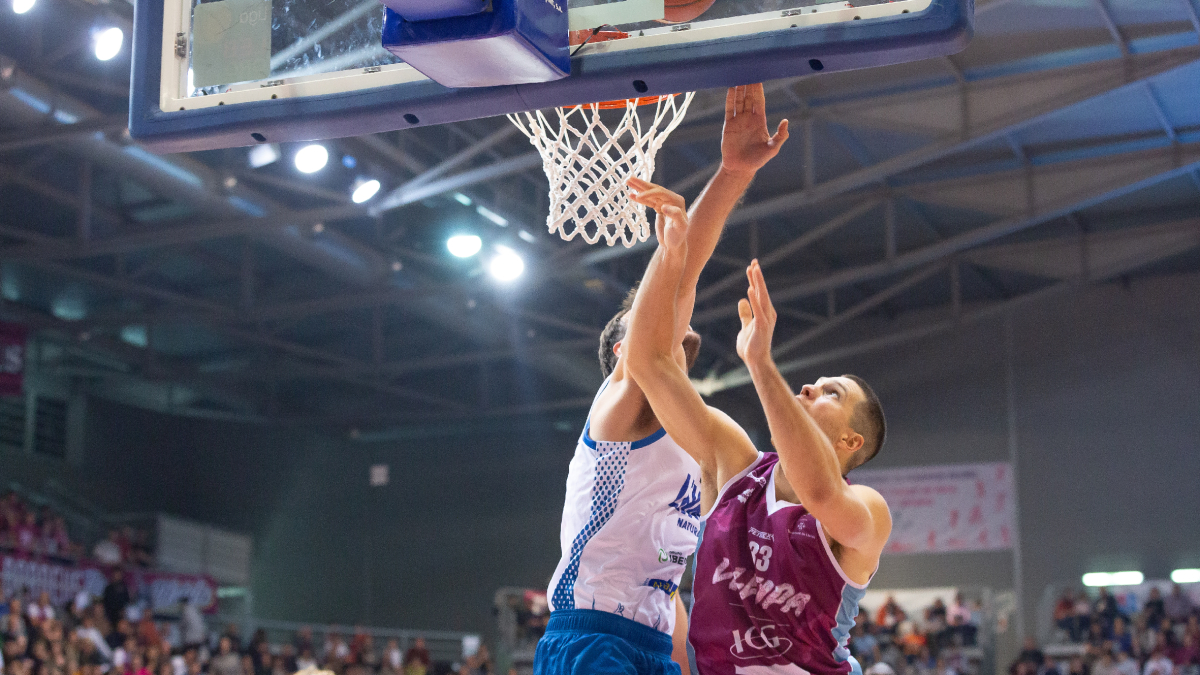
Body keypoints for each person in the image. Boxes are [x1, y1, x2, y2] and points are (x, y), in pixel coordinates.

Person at [533, 83, 788, 675]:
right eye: (655, 316)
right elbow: (679, 281)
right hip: (592, 634)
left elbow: (666, 576)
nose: (681, 313)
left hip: (648, 638)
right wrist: (727, 178)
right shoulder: (620, 404)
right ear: (625, 349)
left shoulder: (695, 432)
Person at [623, 170, 890, 675]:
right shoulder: (732, 461)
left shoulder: (868, 511)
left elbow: (820, 493)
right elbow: (647, 362)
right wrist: (673, 255)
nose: (808, 387)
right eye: (812, 382)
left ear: (852, 440)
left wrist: (762, 365)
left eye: (831, 392)